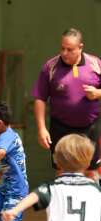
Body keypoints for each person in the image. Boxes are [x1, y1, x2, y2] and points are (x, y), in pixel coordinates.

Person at [32, 28, 101, 176]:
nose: (64, 53)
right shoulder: (50, 67)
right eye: (62, 48)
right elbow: (40, 98)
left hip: (90, 127)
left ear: (80, 47)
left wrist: (96, 93)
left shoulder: (96, 64)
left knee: (91, 173)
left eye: (69, 49)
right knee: (62, 171)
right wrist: (41, 128)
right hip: (60, 128)